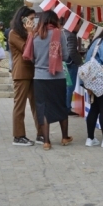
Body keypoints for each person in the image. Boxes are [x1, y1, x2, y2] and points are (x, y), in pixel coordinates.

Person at [24, 10, 71, 150]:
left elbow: (30, 56)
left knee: (42, 108)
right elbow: (66, 55)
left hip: (39, 77)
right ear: (54, 20)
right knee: (61, 106)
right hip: (57, 77)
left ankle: (46, 141)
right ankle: (64, 137)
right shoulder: (58, 33)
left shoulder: (34, 35)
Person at [9, 7, 40, 146]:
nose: (34, 21)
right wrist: (30, 33)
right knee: (20, 105)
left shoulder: (30, 33)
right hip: (21, 72)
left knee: (37, 104)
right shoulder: (14, 34)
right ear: (23, 19)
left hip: (34, 71)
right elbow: (27, 50)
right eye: (31, 19)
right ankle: (18, 136)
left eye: (34, 19)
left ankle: (41, 133)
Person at [64, 18, 84, 116]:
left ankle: (65, 106)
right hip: (71, 63)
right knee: (70, 87)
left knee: (66, 86)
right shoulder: (71, 36)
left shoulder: (64, 32)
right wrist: (79, 61)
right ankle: (67, 108)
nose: (79, 27)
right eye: (79, 25)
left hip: (65, 63)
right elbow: (72, 51)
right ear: (74, 25)